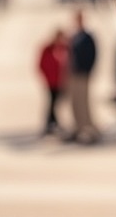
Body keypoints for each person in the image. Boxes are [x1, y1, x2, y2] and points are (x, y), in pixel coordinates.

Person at [66, 9, 99, 144]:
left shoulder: (87, 36)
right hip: (74, 73)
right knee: (75, 102)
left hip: (83, 73)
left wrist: (88, 70)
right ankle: (78, 127)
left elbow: (92, 55)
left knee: (84, 102)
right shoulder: (75, 36)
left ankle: (89, 129)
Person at [37, 28, 68, 136]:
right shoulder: (48, 48)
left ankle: (53, 122)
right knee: (52, 103)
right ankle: (50, 123)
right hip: (51, 81)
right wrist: (46, 77)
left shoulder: (65, 47)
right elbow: (41, 64)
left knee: (56, 103)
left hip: (61, 81)